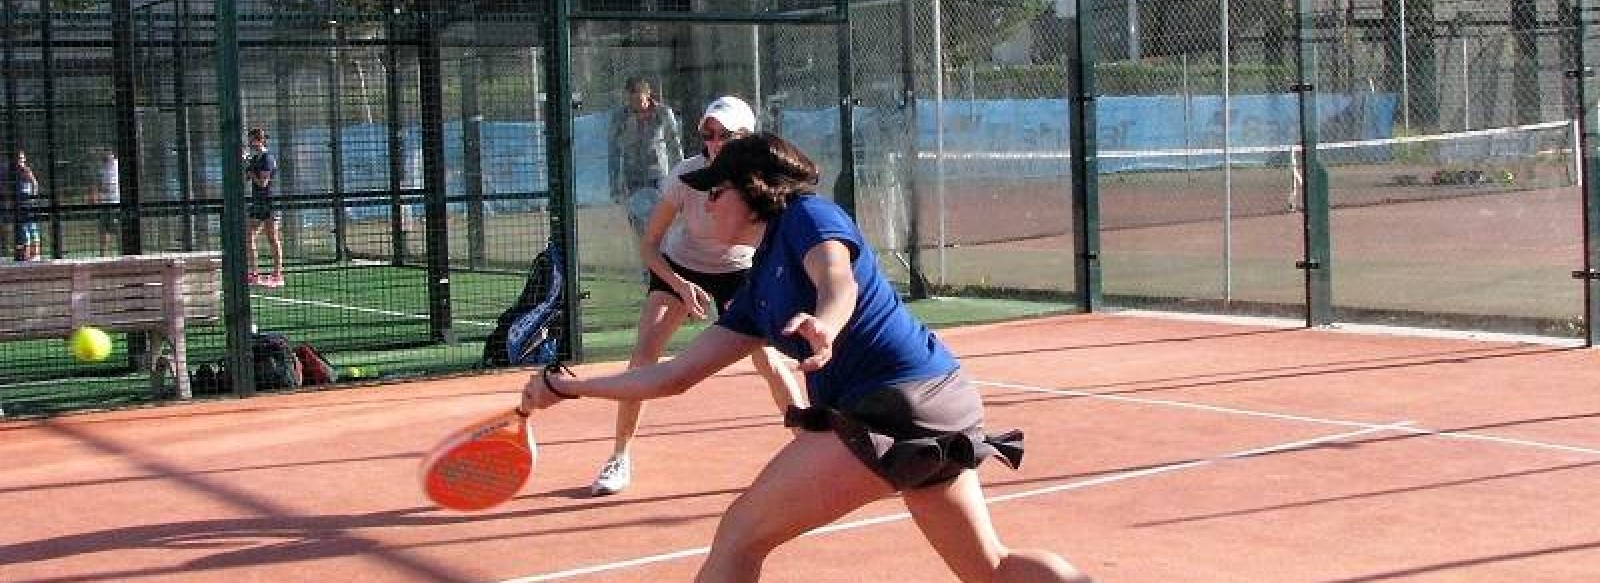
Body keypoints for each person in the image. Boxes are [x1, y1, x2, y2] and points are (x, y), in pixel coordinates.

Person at [521, 133, 1090, 583]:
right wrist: (569, 387)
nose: (706, 200)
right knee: (989, 568)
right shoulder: (756, 293)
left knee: (740, 534)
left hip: (893, 407)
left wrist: (827, 324)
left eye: (717, 190)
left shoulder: (806, 218)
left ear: (754, 192)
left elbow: (835, 278)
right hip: (942, 404)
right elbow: (673, 376)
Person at [589, 96, 806, 496]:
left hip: (740, 272)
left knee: (771, 362)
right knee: (642, 359)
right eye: (708, 133)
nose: (715, 141)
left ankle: (809, 449)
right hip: (681, 268)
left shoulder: (765, 182)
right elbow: (650, 244)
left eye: (726, 134)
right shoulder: (685, 176)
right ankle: (619, 457)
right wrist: (679, 285)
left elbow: (785, 241)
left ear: (747, 137)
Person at [608, 77, 683, 246]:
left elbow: (674, 147)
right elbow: (613, 152)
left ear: (648, 94)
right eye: (631, 99)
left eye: (639, 99)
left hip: (659, 176)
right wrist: (614, 185)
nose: (636, 104)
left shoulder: (663, 113)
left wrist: (680, 178)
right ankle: (647, 266)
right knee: (639, 226)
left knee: (662, 223)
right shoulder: (620, 117)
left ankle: (665, 258)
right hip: (632, 178)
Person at [243, 127, 284, 287]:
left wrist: (250, 170)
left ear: (260, 140)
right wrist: (246, 164)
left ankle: (277, 275)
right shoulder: (254, 159)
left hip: (269, 203)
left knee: (272, 238)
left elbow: (262, 182)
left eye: (253, 140)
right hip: (257, 203)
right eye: (250, 140)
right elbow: (247, 178)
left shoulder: (268, 158)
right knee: (248, 236)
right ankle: (254, 273)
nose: (251, 143)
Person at [11, 151, 41, 262]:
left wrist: (33, 198)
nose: (21, 161)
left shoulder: (26, 170)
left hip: (27, 202)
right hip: (20, 204)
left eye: (22, 158)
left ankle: (36, 254)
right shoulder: (14, 172)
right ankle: (26, 256)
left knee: (32, 228)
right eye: (19, 158)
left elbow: (35, 183)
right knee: (24, 229)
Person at [89, 149, 120, 256]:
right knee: (103, 229)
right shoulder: (100, 168)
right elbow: (96, 184)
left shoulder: (118, 165)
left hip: (116, 203)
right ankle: (103, 254)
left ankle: (123, 252)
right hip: (104, 203)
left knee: (118, 227)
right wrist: (94, 196)